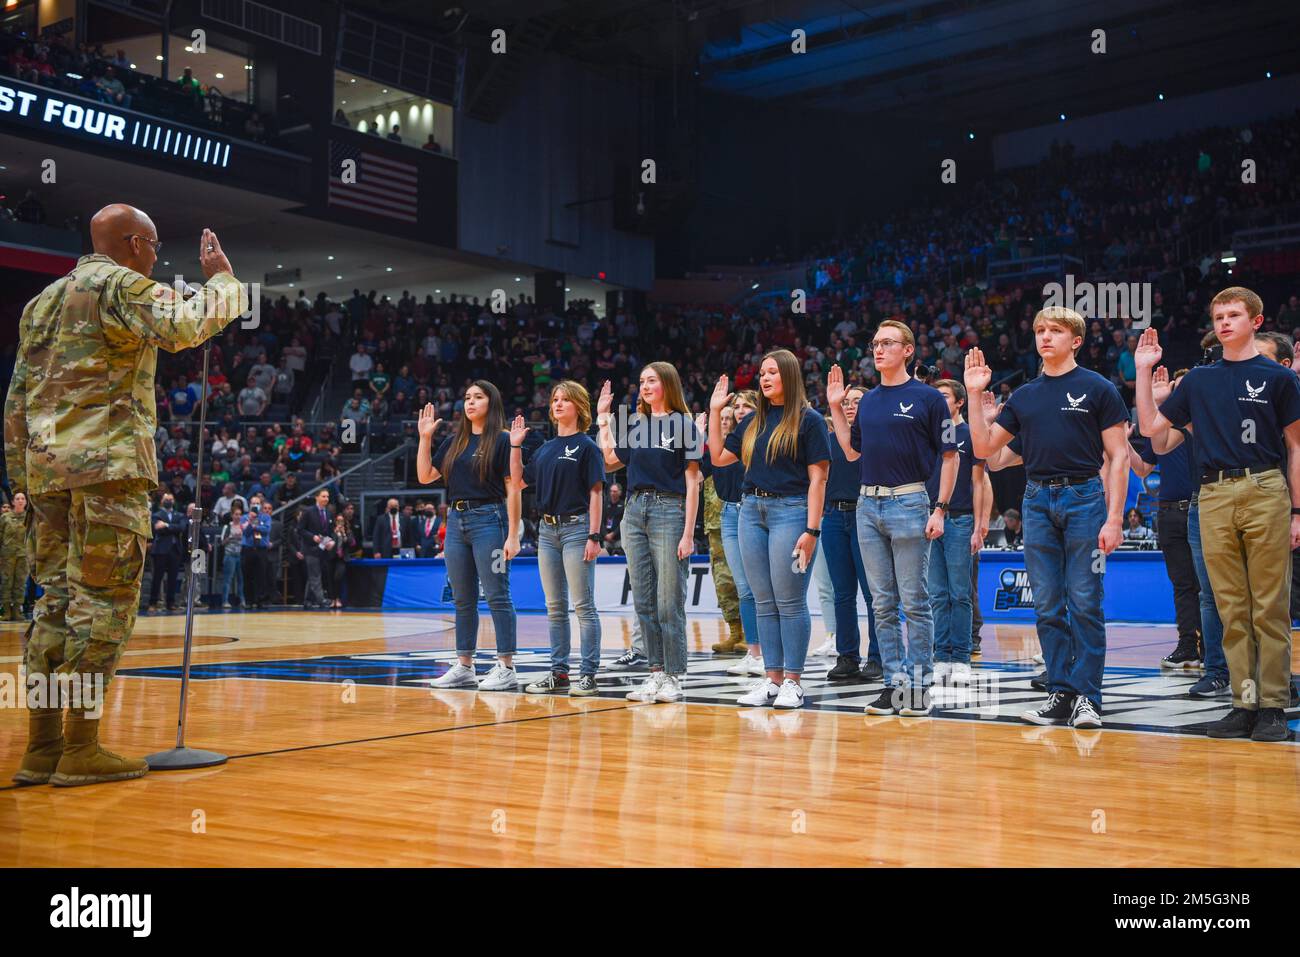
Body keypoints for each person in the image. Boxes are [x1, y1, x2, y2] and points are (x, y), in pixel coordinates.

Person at [5, 211, 243, 787]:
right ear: (134, 243)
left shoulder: (40, 303)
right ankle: (81, 747)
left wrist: (22, 482)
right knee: (104, 606)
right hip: (108, 472)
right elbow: (185, 327)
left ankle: (42, 747)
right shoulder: (119, 284)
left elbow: (15, 402)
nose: (157, 257)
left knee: (53, 605)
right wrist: (224, 283)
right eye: (154, 246)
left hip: (46, 476)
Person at [1135, 288, 1300, 742]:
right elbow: (1151, 431)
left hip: (1265, 487)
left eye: (1233, 315)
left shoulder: (1278, 378)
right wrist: (1144, 371)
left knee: (1269, 605)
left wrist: (1297, 511)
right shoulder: (1198, 381)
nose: (1224, 322)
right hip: (1211, 493)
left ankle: (1273, 707)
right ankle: (1243, 703)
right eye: (1218, 316)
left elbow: (1296, 447)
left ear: (1256, 321)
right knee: (1230, 606)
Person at [965, 306, 1128, 730]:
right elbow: (984, 451)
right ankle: (1060, 692)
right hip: (1036, 498)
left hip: (1085, 497)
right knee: (1048, 605)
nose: (1045, 336)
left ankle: (1088, 697)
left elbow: (1119, 456)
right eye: (1040, 330)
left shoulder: (1098, 388)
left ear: (1076, 340)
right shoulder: (1024, 396)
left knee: (1085, 601)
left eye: (1055, 330)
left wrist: (1114, 517)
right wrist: (973, 395)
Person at [827, 320, 957, 717]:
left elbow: (950, 455)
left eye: (887, 343)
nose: (878, 350)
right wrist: (835, 407)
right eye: (875, 343)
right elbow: (852, 453)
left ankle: (919, 687)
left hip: (910, 502)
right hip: (867, 504)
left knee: (914, 601)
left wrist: (940, 508)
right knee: (882, 603)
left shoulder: (929, 399)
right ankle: (893, 684)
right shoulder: (868, 401)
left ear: (908, 350)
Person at [709, 350, 830, 710]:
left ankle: (793, 681)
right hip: (750, 511)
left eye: (772, 372)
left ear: (789, 376)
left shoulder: (809, 421)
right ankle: (772, 680)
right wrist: (715, 412)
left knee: (789, 600)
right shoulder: (752, 421)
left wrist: (812, 530)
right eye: (762, 373)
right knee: (763, 601)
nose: (764, 378)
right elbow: (718, 458)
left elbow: (819, 479)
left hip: (791, 512)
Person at [597, 363, 703, 704]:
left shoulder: (683, 424)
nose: (644, 386)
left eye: (651, 380)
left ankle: (674, 675)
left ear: (667, 384)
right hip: (633, 510)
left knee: (668, 601)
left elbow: (693, 481)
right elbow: (609, 461)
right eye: (641, 381)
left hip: (669, 510)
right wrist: (603, 418)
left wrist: (688, 533)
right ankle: (655, 672)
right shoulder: (634, 422)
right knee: (643, 599)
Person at [420, 381, 522, 691]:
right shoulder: (454, 441)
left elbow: (513, 488)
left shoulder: (503, 439)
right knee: (462, 598)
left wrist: (513, 534)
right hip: (455, 521)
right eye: (467, 397)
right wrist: (425, 438)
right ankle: (464, 665)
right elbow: (425, 476)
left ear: (492, 403)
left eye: (478, 397)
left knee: (497, 595)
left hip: (490, 520)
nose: (470, 402)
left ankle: (506, 666)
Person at [510, 381, 605, 696]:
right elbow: (518, 481)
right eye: (555, 399)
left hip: (578, 529)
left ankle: (588, 674)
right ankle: (558, 673)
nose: (558, 404)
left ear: (579, 406)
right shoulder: (545, 449)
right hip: (547, 531)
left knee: (583, 606)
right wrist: (515, 447)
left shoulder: (588, 446)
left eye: (565, 399)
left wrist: (594, 535)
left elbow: (596, 493)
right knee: (554, 607)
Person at [820, 386, 883, 682]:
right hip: (833, 516)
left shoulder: (876, 438)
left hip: (865, 514)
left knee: (873, 593)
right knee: (842, 593)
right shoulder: (828, 440)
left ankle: (878, 657)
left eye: (857, 401)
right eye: (845, 402)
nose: (850, 406)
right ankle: (847, 657)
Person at [928, 379, 987, 684]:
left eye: (944, 396)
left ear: (960, 402)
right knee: (937, 594)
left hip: (960, 519)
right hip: (929, 520)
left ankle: (962, 657)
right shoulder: (929, 433)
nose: (938, 401)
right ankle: (941, 656)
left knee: (960, 593)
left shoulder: (969, 434)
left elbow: (979, 483)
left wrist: (979, 526)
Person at [709, 395, 755, 660]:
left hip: (752, 508)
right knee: (737, 583)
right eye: (736, 407)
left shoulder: (759, 439)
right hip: (727, 511)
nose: (740, 411)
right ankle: (742, 636)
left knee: (755, 582)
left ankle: (757, 640)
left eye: (746, 406)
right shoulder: (726, 445)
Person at [702, 400, 745, 657]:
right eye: (722, 418)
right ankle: (735, 631)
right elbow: (695, 475)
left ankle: (751, 634)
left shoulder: (743, 446)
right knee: (723, 581)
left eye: (730, 417)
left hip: (742, 516)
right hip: (714, 522)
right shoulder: (710, 451)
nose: (726, 421)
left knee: (745, 579)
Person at [147, 492, 186, 611]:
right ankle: (153, 603)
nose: (168, 501)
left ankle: (170, 603)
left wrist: (166, 525)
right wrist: (172, 527)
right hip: (160, 550)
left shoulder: (179, 515)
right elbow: (158, 529)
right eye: (166, 499)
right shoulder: (156, 515)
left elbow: (181, 528)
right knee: (157, 578)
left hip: (175, 550)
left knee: (173, 578)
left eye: (170, 499)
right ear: (161, 501)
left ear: (174, 501)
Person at [298, 488, 334, 609]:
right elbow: (300, 529)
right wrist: (312, 537)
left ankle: (307, 600)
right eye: (323, 496)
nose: (326, 499)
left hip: (322, 549)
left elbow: (328, 532)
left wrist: (330, 541)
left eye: (327, 496)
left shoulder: (328, 513)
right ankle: (321, 600)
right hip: (310, 548)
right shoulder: (308, 511)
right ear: (317, 497)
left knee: (313, 576)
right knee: (315, 575)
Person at [0, 491, 30, 620]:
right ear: (13, 502)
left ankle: (17, 610)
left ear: (26, 502)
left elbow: (32, 536)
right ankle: (6, 611)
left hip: (23, 555)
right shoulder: (5, 517)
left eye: (22, 498)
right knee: (6, 582)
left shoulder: (29, 517)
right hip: (7, 555)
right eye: (17, 498)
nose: (20, 501)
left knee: (20, 583)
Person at [242, 495, 273, 609]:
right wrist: (251, 521)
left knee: (261, 575)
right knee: (247, 576)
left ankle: (261, 600)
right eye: (253, 503)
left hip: (261, 549)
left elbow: (266, 530)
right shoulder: (244, 517)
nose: (255, 505)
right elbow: (246, 532)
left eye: (257, 503)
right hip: (248, 549)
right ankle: (249, 601)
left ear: (261, 505)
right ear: (249, 505)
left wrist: (255, 527)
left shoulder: (266, 517)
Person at [220, 501, 246, 608]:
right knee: (228, 579)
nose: (238, 516)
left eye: (240, 514)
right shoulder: (227, 527)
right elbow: (222, 542)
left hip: (240, 555)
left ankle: (242, 601)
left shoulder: (243, 527)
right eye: (236, 514)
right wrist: (231, 537)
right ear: (232, 515)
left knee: (241, 580)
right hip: (230, 555)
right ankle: (225, 601)